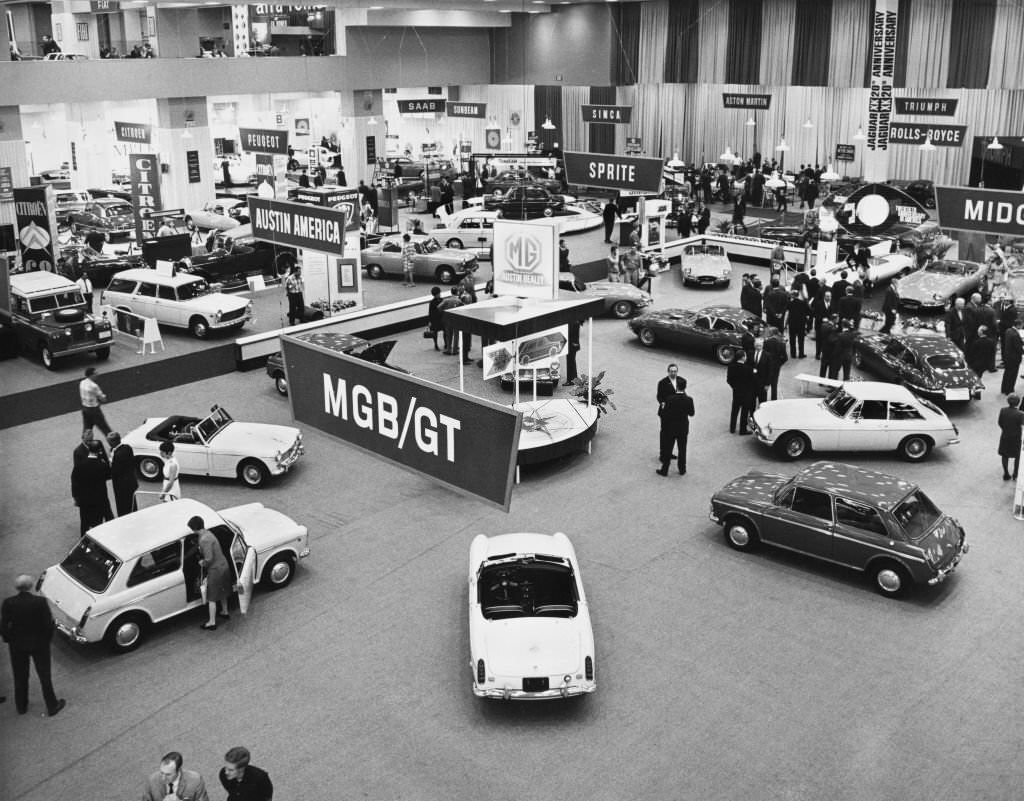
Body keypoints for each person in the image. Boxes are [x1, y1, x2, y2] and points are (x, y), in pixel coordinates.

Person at [1, 574, 65, 718]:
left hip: (17, 645)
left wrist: (9, 640)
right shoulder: (40, 602)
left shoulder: (8, 603)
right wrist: (46, 640)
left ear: (17, 587)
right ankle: (52, 705)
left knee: (20, 676)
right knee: (44, 676)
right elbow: (48, 625)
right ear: (30, 586)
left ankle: (21, 706)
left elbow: (4, 626)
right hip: (39, 644)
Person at [190, 516, 232, 629]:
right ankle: (225, 611)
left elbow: (209, 559)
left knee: (211, 597)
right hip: (224, 565)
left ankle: (212, 622)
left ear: (194, 529)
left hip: (215, 569)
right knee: (223, 591)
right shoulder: (209, 533)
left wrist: (201, 562)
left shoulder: (204, 539)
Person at [71, 439, 112, 535]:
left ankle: (84, 542)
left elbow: (74, 481)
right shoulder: (102, 465)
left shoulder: (80, 465)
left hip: (84, 499)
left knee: (85, 522)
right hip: (100, 498)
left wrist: (76, 497)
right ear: (99, 451)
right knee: (101, 520)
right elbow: (108, 475)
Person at [656, 374, 695, 476]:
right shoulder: (689, 400)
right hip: (683, 428)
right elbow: (691, 413)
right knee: (682, 449)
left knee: (669, 448)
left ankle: (665, 469)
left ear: (676, 387)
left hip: (671, 427)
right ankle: (682, 469)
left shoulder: (670, 399)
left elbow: (665, 413)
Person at [142, 752, 210, 801]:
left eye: (168, 774)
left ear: (179, 770)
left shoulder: (195, 780)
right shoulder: (152, 780)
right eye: (161, 772)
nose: (163, 778)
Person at [107, 431, 138, 517]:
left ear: (112, 442)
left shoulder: (119, 455)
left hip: (122, 484)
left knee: (123, 505)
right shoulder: (127, 447)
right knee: (132, 502)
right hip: (130, 481)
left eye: (109, 442)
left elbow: (115, 471)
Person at [726, 349, 754, 435]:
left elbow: (729, 380)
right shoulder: (748, 369)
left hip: (736, 392)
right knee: (744, 412)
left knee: (734, 410)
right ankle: (742, 429)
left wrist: (735, 387)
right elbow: (751, 381)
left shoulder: (731, 367)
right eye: (745, 356)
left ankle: (732, 428)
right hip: (746, 393)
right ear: (742, 358)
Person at [80, 366, 112, 437]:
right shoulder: (94, 386)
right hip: (94, 410)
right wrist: (104, 397)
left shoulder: (82, 383)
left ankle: (85, 443)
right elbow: (103, 399)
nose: (97, 374)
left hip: (85, 408)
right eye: (95, 373)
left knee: (87, 428)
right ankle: (114, 442)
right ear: (91, 375)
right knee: (105, 428)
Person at [438, 287, 464, 355]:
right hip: (456, 319)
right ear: (457, 292)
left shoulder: (446, 300)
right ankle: (455, 350)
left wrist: (444, 312)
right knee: (456, 335)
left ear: (451, 292)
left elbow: (439, 307)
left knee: (448, 335)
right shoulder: (459, 301)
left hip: (448, 319)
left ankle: (449, 349)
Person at [786, 290, 811, 358]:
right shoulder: (803, 303)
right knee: (801, 339)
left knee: (792, 339)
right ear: (798, 295)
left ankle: (793, 354)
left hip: (792, 323)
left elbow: (786, 309)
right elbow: (809, 311)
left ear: (792, 295)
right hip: (801, 323)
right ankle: (801, 354)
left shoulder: (790, 303)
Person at [1002, 318, 1023, 395]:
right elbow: (1018, 348)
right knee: (1012, 374)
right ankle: (1009, 389)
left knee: (1007, 373)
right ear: (1018, 325)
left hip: (1007, 355)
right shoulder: (1015, 335)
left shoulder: (1008, 331)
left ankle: (1004, 388)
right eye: (1021, 325)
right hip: (1014, 358)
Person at [427, 286, 444, 350]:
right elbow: (430, 312)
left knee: (438, 331)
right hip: (436, 319)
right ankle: (436, 344)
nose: (439, 294)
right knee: (435, 332)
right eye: (438, 294)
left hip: (439, 318)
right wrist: (430, 321)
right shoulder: (436, 301)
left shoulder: (433, 302)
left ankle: (445, 343)